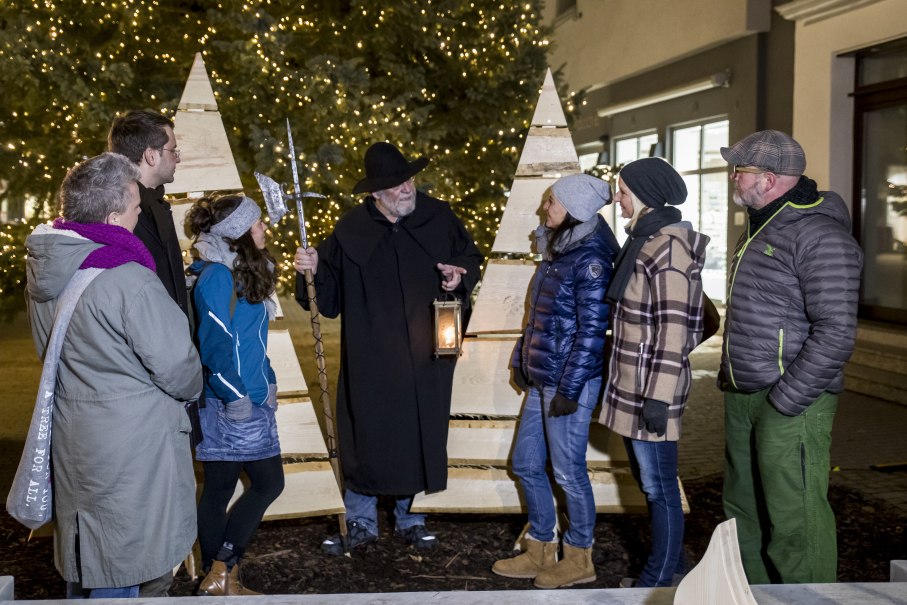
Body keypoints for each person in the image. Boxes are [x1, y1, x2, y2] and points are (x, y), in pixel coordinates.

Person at [24, 152, 201, 598]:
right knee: (131, 565)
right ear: (111, 215)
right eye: (136, 208)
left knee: (92, 558)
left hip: (78, 436)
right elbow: (179, 367)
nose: (141, 214)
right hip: (134, 449)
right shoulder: (129, 279)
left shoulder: (48, 272)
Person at [294, 141, 483, 555]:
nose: (407, 188)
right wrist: (309, 270)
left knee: (418, 433)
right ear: (376, 193)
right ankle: (361, 520)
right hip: (371, 358)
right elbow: (323, 297)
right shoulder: (349, 232)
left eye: (409, 180)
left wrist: (457, 277)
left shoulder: (439, 217)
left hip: (425, 356)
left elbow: (469, 258)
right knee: (367, 434)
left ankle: (411, 518)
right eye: (397, 185)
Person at [719, 130, 863, 584]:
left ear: (768, 178)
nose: (732, 179)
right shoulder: (763, 225)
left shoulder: (819, 235)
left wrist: (786, 400)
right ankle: (756, 595)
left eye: (738, 171)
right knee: (744, 512)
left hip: (790, 401)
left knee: (795, 520)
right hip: (744, 394)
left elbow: (837, 331)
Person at [491, 174, 618, 588]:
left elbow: (591, 333)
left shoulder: (591, 259)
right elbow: (539, 319)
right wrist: (520, 361)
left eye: (553, 203)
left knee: (567, 473)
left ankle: (580, 557)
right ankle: (541, 547)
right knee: (526, 463)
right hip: (543, 377)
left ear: (575, 210)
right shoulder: (561, 249)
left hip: (568, 384)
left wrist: (569, 389)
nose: (546, 208)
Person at [597, 157, 709, 588]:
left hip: (650, 392)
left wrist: (659, 398)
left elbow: (675, 328)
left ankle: (658, 579)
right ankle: (673, 565)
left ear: (643, 194)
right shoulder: (644, 240)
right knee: (652, 485)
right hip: (634, 385)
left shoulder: (668, 247)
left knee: (661, 488)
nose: (618, 201)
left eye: (623, 192)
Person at [186, 195, 285, 596]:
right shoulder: (217, 277)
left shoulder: (238, 272)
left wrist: (270, 381)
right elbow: (215, 346)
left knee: (221, 488)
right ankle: (223, 567)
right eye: (257, 224)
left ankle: (220, 580)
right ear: (239, 233)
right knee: (268, 483)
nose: (264, 229)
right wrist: (237, 398)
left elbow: (252, 342)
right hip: (233, 404)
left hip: (248, 398)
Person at [108, 109, 188, 318]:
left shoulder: (158, 206)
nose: (177, 159)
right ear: (151, 156)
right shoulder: (117, 215)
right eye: (173, 151)